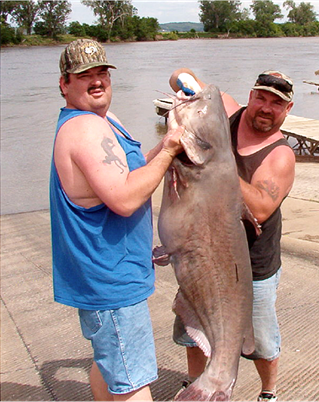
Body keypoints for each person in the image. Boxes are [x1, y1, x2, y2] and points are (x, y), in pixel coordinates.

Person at [50, 39, 184, 402]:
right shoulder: (85, 129)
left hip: (110, 275)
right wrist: (171, 147)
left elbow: (134, 166)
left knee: (109, 365)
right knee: (132, 382)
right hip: (110, 280)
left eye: (101, 73)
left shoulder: (104, 121)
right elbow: (125, 199)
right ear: (64, 83)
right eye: (84, 76)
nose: (96, 82)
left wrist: (168, 145)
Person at [168, 68, 295, 402]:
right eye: (261, 98)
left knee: (261, 342)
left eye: (276, 104)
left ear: (287, 109)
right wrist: (188, 87)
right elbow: (180, 77)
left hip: (252, 265)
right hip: (202, 250)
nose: (266, 108)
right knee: (192, 331)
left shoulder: (280, 154)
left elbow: (263, 208)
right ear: (250, 96)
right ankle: (197, 382)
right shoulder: (225, 110)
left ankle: (268, 392)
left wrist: (214, 164)